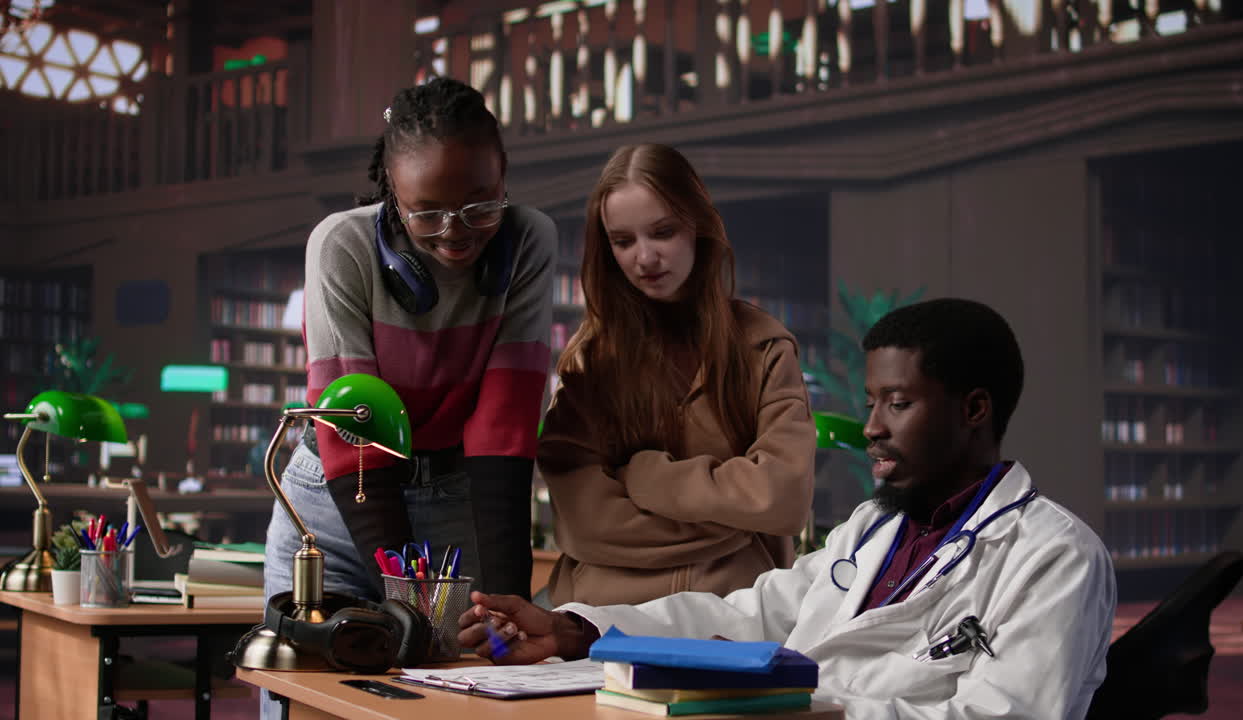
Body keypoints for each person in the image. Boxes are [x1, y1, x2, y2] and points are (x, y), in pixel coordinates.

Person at [461, 298, 1117, 720]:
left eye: (899, 403)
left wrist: (800, 707)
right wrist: (578, 630)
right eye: (871, 402)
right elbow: (746, 615)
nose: (871, 429)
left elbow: (1006, 717)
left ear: (974, 410)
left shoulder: (1054, 557)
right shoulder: (873, 528)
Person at [263, 77, 556, 615]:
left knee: (463, 677)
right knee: (311, 685)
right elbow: (353, 423)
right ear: (393, 191)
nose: (455, 234)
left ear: (503, 174)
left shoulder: (530, 241)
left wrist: (512, 603)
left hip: (454, 495)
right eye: (427, 213)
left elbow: (505, 426)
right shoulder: (340, 246)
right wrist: (405, 595)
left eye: (480, 207)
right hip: (336, 499)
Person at [536, 143, 816, 607]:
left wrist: (644, 478)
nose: (644, 258)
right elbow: (584, 522)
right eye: (623, 241)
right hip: (602, 616)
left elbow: (781, 498)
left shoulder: (763, 345)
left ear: (697, 227)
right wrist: (732, 522)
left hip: (734, 614)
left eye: (662, 232)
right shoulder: (592, 357)